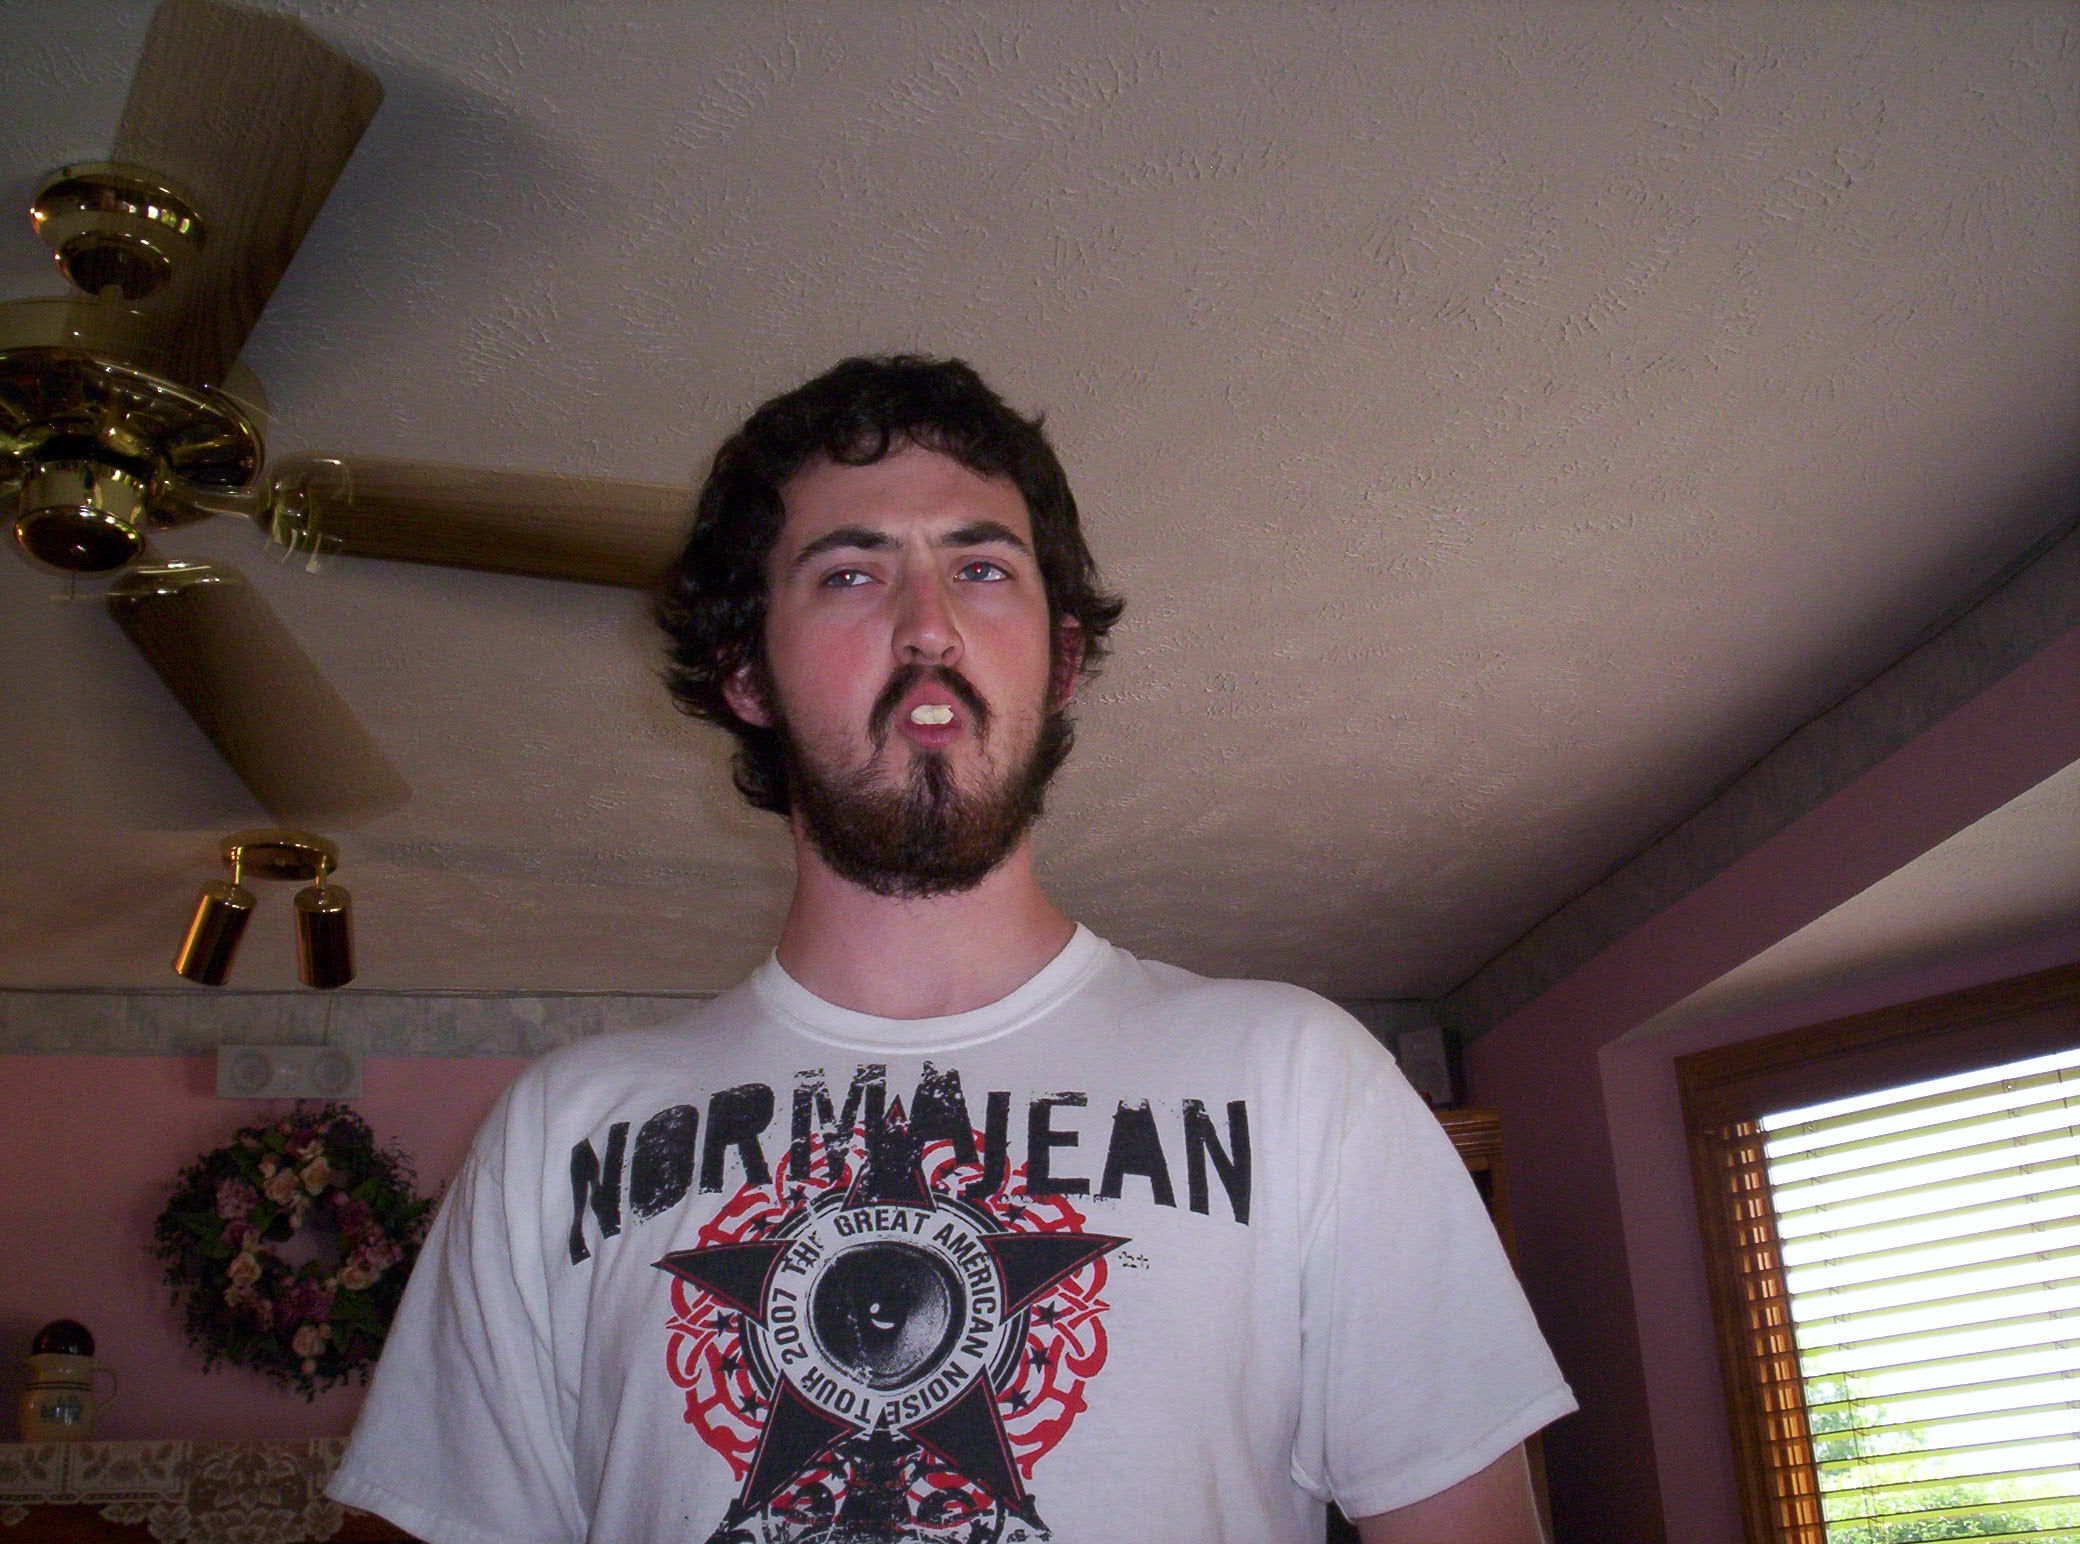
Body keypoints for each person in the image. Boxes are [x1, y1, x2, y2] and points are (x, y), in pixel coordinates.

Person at [328, 356, 1575, 1544]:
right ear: (746, 674)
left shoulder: (1302, 1079)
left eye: (981, 569)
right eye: (849, 574)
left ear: (1061, 659)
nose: (927, 627)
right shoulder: (563, 1132)